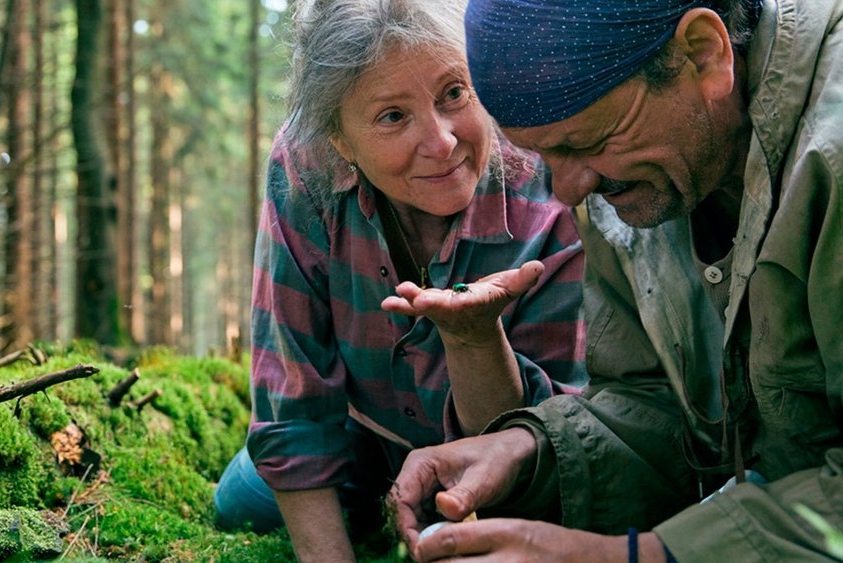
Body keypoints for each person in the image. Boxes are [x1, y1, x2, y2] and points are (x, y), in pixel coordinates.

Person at [389, 0, 843, 561]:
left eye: (583, 143)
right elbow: (655, 403)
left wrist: (636, 556)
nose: (568, 190)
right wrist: (532, 452)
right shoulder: (642, 178)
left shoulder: (831, 154)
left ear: (704, 54)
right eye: (543, 155)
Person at [211, 0, 588, 561]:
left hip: (505, 459)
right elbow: (293, 397)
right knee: (240, 503)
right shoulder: (305, 163)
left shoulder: (547, 175)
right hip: (361, 433)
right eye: (392, 116)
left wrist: (474, 339)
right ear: (341, 141)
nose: (441, 143)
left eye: (454, 93)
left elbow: (543, 435)